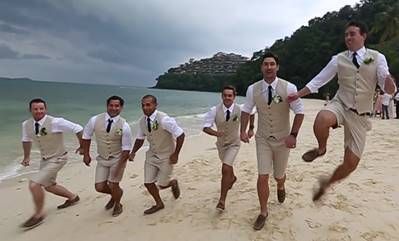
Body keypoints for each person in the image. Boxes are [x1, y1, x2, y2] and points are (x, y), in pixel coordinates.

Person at [287, 21, 397, 201]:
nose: (348, 37)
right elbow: (319, 80)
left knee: (351, 164)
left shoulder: (377, 57)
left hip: (360, 115)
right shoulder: (338, 59)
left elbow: (387, 85)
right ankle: (321, 149)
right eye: (346, 35)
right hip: (340, 104)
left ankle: (327, 184)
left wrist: (390, 84)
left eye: (352, 34)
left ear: (363, 36)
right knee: (322, 118)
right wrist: (298, 94)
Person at [241, 52, 305, 231]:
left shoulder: (289, 87)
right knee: (262, 175)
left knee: (278, 175)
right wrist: (243, 131)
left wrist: (293, 135)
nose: (268, 67)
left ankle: (281, 184)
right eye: (265, 64)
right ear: (261, 67)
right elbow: (246, 110)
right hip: (262, 139)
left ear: (277, 67)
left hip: (283, 139)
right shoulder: (252, 89)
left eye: (272, 64)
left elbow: (299, 111)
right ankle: (263, 212)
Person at [21, 98, 83, 229]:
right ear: (30, 110)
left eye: (41, 108)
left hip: (59, 157)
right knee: (49, 186)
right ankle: (73, 197)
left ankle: (38, 215)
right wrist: (27, 157)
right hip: (45, 160)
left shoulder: (56, 122)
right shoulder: (26, 124)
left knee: (34, 184)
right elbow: (26, 140)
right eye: (35, 109)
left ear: (45, 109)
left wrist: (82, 146)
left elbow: (78, 128)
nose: (38, 111)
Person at [129, 95, 185, 215]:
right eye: (143, 105)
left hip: (167, 155)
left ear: (155, 105)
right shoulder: (142, 121)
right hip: (152, 154)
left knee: (162, 184)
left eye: (148, 104)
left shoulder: (164, 120)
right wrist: (133, 152)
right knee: (148, 182)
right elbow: (140, 139)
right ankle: (159, 203)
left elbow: (180, 135)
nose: (145, 107)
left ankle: (172, 183)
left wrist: (176, 154)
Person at [202, 85, 255, 212]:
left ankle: (222, 200)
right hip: (221, 145)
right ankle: (233, 178)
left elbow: (252, 113)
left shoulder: (241, 109)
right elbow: (205, 127)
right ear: (222, 96)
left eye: (230, 95)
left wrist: (251, 128)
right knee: (228, 168)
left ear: (234, 97)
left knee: (225, 168)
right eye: (225, 95)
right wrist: (216, 133)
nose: (227, 98)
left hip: (234, 143)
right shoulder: (214, 110)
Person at [82, 96, 132, 217]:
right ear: (107, 106)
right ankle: (116, 195)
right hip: (102, 158)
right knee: (99, 187)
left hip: (118, 158)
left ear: (121, 108)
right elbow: (86, 136)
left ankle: (118, 204)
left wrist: (119, 167)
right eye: (111, 105)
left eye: (117, 106)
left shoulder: (125, 126)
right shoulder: (94, 120)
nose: (114, 108)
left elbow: (126, 149)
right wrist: (86, 154)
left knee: (113, 184)